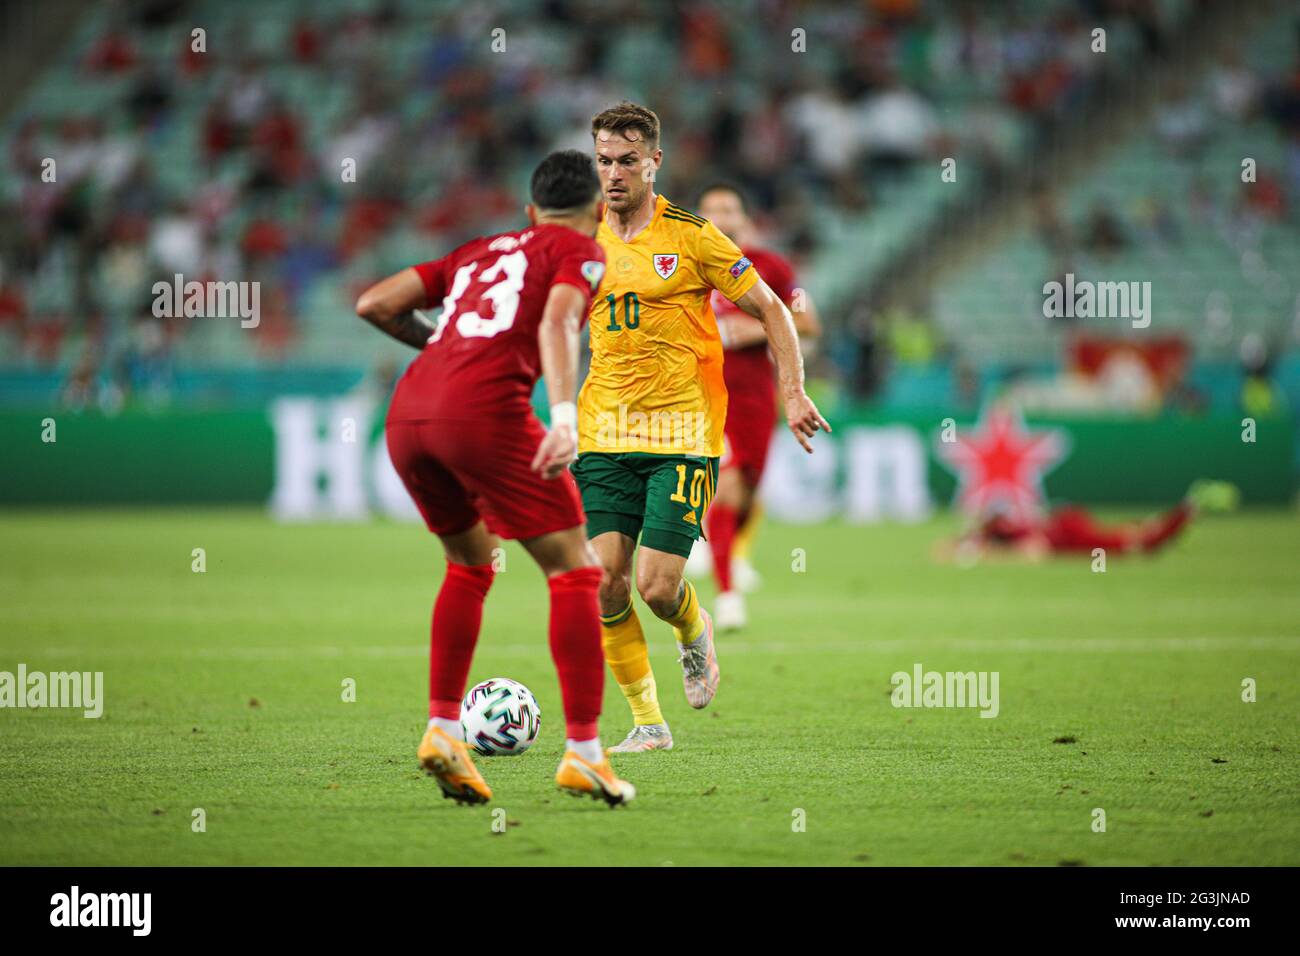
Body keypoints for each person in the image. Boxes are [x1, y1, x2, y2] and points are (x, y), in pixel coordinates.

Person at [354, 150, 634, 806]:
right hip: (481, 415)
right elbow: (561, 320)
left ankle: (445, 731)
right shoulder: (577, 249)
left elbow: (373, 303)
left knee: (471, 565)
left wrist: (444, 353)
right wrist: (563, 416)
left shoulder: (478, 250)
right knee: (575, 570)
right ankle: (586, 754)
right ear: (597, 211)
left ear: (530, 211)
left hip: (409, 413)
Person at [576, 103, 830, 753]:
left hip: (683, 434)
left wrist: (792, 389)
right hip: (603, 430)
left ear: (654, 163)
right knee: (603, 580)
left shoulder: (692, 236)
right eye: (603, 160)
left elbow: (772, 309)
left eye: (627, 161)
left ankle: (694, 632)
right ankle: (647, 723)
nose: (613, 174)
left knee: (657, 587)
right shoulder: (580, 235)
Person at [694, 182, 822, 630]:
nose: (722, 217)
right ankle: (727, 595)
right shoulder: (687, 266)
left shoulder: (772, 267)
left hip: (753, 398)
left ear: (744, 217)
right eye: (712, 210)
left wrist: (747, 330)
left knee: (746, 491)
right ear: (701, 220)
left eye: (730, 208)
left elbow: (806, 320)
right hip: (699, 395)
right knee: (727, 487)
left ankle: (715, 543)